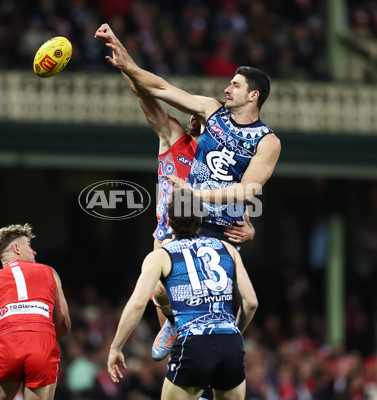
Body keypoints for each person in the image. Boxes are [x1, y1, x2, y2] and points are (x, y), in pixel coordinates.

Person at [100, 25, 256, 363]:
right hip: (169, 229)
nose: (195, 121)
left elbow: (243, 200)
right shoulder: (174, 140)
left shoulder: (224, 161)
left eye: (200, 118)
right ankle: (172, 327)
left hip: (207, 234)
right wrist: (126, 63)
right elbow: (148, 95)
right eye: (193, 118)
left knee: (206, 308)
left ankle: (203, 365)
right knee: (158, 288)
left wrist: (250, 225)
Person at [95, 23, 281, 245]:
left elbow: (245, 192)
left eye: (235, 86)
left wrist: (247, 225)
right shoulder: (204, 116)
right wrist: (126, 64)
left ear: (253, 96)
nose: (227, 89)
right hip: (179, 227)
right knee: (161, 274)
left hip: (223, 233)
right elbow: (157, 89)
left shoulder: (267, 141)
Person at [107, 189, 258, 400]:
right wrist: (234, 334)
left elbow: (138, 303)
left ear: (168, 218)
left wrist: (116, 347)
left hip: (193, 342)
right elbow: (251, 302)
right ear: (202, 217)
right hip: (230, 342)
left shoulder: (160, 256)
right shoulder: (227, 248)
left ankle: (171, 323)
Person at [0, 223, 71, 400]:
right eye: (29, 245)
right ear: (16, 248)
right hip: (42, 343)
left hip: (7, 344)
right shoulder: (50, 273)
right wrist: (40, 338)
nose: (34, 252)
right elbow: (64, 323)